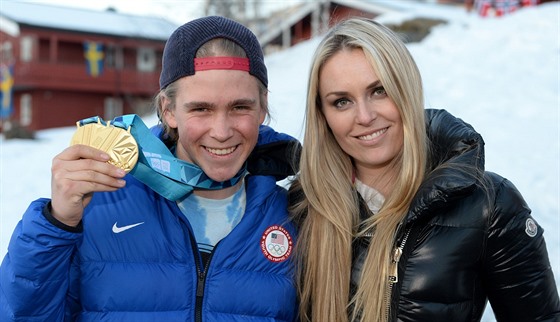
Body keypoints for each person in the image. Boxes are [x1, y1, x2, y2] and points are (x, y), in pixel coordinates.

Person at [0, 16, 300, 321]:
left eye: (240, 107)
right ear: (168, 111)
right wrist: (57, 224)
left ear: (262, 108)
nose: (221, 131)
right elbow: (24, 314)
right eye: (201, 109)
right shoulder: (98, 203)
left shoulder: (295, 216)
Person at [288, 17, 560, 322]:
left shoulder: (489, 204)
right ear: (322, 115)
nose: (364, 116)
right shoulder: (302, 208)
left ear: (407, 88)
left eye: (379, 90)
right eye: (341, 102)